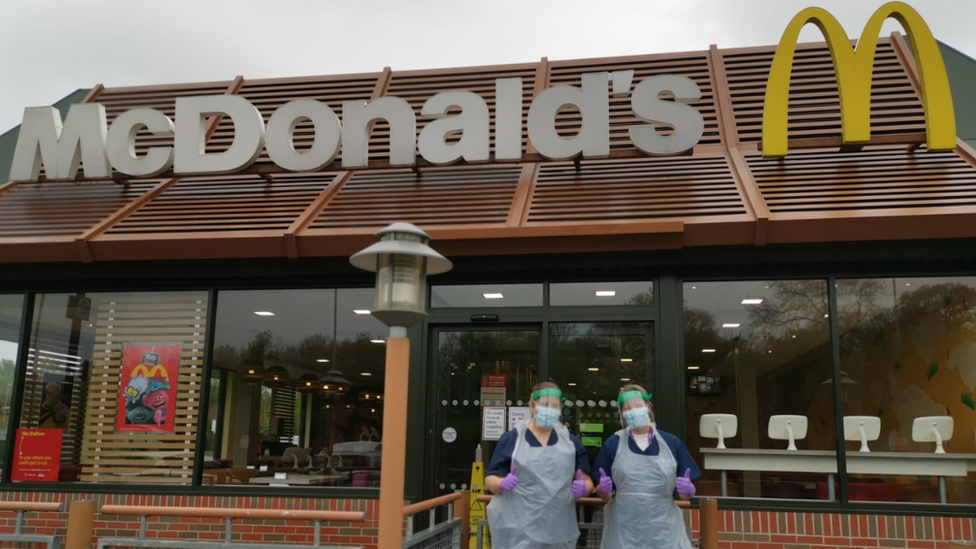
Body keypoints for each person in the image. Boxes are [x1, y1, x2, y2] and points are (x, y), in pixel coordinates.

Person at [485, 382, 593, 549]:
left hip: (558, 530)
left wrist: (584, 488)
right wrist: (500, 483)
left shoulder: (570, 442)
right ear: (532, 407)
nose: (549, 409)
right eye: (544, 405)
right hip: (517, 531)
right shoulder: (512, 439)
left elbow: (585, 478)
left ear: (560, 408)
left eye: (554, 405)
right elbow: (491, 479)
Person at [593, 385, 701, 549]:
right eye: (628, 408)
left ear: (648, 407)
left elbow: (684, 497)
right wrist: (603, 489)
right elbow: (605, 496)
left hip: (665, 532)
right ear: (622, 413)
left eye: (638, 406)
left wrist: (687, 491)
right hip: (624, 531)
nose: (633, 411)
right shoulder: (613, 444)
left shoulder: (672, 443)